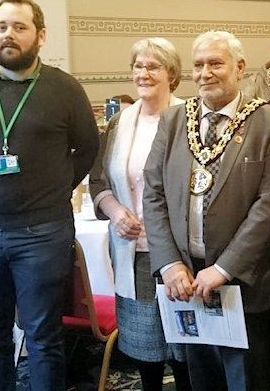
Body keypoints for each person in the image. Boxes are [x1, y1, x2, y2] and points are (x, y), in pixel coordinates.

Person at [0, 0, 100, 391]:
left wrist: (50, 187)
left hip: (42, 234)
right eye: (1, 27)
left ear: (41, 36)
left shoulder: (64, 88)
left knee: (44, 340)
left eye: (19, 27)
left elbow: (86, 150)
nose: (8, 35)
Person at [143, 30, 270, 391]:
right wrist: (169, 262)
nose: (205, 72)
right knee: (201, 380)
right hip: (187, 280)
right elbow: (153, 193)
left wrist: (224, 268)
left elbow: (268, 204)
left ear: (240, 68)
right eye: (198, 65)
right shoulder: (175, 120)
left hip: (243, 281)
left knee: (245, 380)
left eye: (215, 63)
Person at [89, 38, 190, 390]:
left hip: (179, 253)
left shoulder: (187, 119)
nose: (143, 73)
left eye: (153, 66)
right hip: (134, 254)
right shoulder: (120, 122)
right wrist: (114, 210)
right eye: (138, 66)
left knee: (185, 347)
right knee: (145, 347)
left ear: (171, 75)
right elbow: (98, 180)